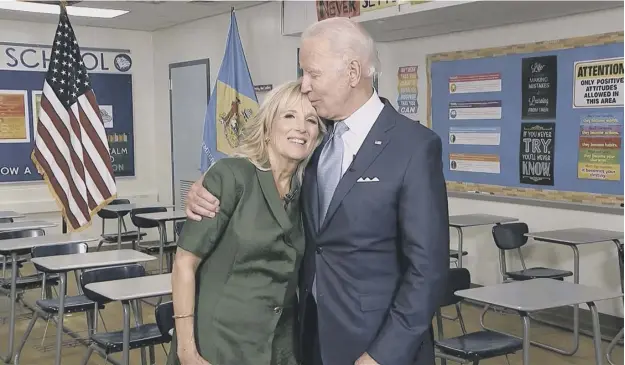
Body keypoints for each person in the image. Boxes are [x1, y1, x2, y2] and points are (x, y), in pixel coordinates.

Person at [185, 17, 450, 365]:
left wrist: (382, 354)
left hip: (378, 345)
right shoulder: (315, 143)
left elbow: (427, 271)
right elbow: (268, 175)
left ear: (352, 72)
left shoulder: (413, 147)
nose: (304, 85)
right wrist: (203, 186)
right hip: (309, 339)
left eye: (313, 73)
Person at [168, 80, 326, 365]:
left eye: (311, 120)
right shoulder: (231, 176)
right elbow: (184, 263)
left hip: (280, 344)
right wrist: (186, 350)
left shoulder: (309, 191)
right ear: (267, 127)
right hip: (220, 342)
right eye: (289, 116)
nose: (301, 128)